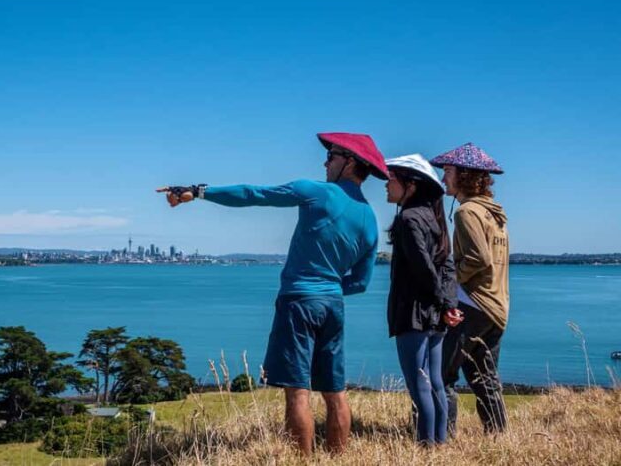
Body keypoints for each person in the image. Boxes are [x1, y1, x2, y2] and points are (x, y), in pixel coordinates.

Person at [157, 132, 387, 455]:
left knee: (298, 393)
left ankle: (301, 461)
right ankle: (338, 460)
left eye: (331, 155)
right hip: (333, 306)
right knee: (336, 393)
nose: (325, 161)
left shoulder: (317, 193)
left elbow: (254, 194)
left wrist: (197, 192)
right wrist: (331, 288)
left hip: (298, 303)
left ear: (350, 162)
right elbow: (361, 282)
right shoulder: (370, 220)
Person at [430, 143, 510, 435]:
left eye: (447, 171)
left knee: (442, 374)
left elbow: (479, 258)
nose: (442, 178)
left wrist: (450, 281)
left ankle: (442, 437)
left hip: (473, 305)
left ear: (463, 175)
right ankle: (497, 436)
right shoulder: (495, 213)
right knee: (483, 376)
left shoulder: (468, 212)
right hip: (496, 306)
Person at [384, 154, 461, 445]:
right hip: (434, 315)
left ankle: (426, 448)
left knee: (420, 387)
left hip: (413, 312)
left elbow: (423, 267)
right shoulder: (435, 217)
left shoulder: (408, 218)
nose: (386, 184)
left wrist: (445, 303)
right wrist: (448, 304)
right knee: (436, 383)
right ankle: (439, 445)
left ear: (411, 185)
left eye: (392, 178)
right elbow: (446, 267)